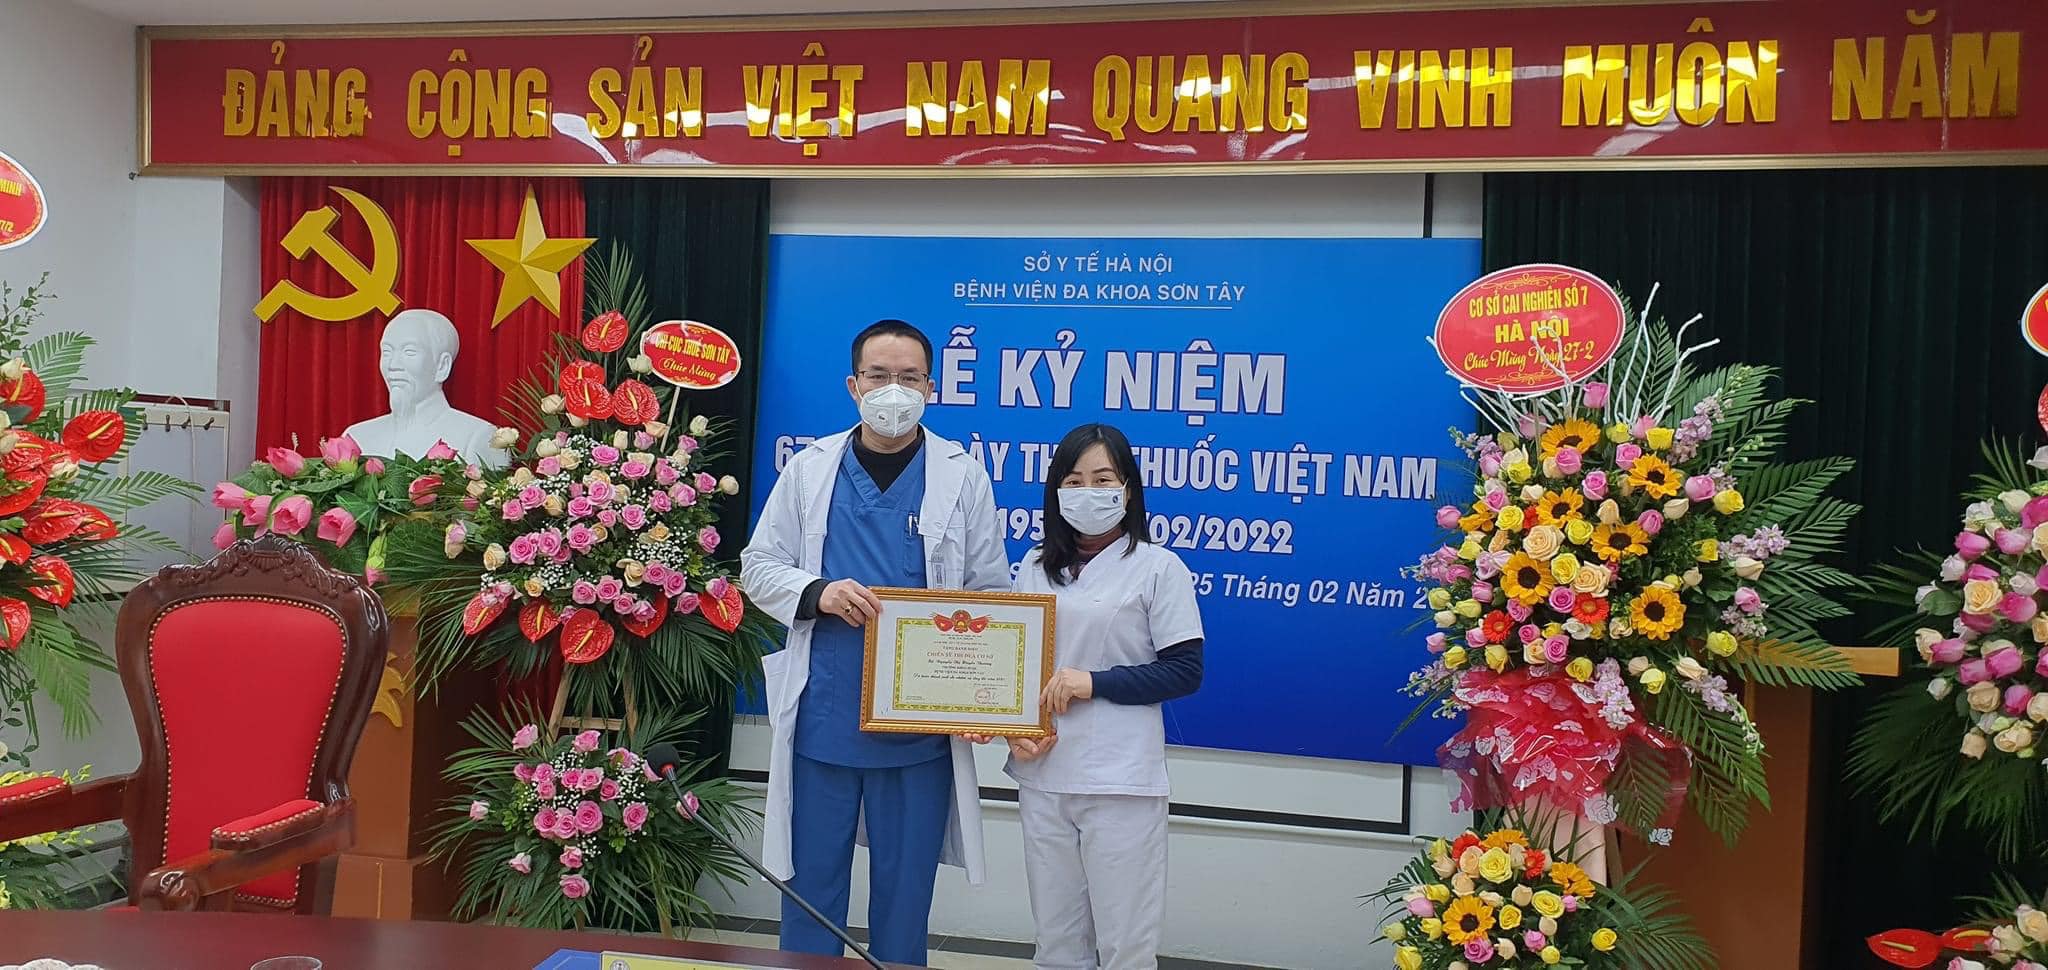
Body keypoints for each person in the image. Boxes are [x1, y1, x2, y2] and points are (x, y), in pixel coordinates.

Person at [741, 319, 1011, 966]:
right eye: (880, 376)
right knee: (810, 895)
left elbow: (991, 594)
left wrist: (986, 697)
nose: (895, 390)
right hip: (824, 723)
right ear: (853, 385)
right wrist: (818, 591)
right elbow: (758, 566)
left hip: (917, 733)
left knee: (904, 901)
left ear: (932, 387)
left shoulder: (962, 475)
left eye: (910, 378)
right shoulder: (809, 470)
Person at [1006, 423, 1205, 970]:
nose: (1088, 492)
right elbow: (1016, 665)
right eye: (1074, 481)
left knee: (1125, 947)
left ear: (1128, 490)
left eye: (1102, 479)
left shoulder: (1158, 567)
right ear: (1056, 491)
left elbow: (1185, 671)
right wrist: (1012, 728)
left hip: (1120, 780)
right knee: (1056, 943)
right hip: (1044, 773)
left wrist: (1093, 682)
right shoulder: (1033, 567)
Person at [342, 308, 507, 466]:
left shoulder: (479, 437)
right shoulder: (357, 438)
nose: (393, 365)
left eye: (409, 352)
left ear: (442, 365)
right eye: (387, 352)